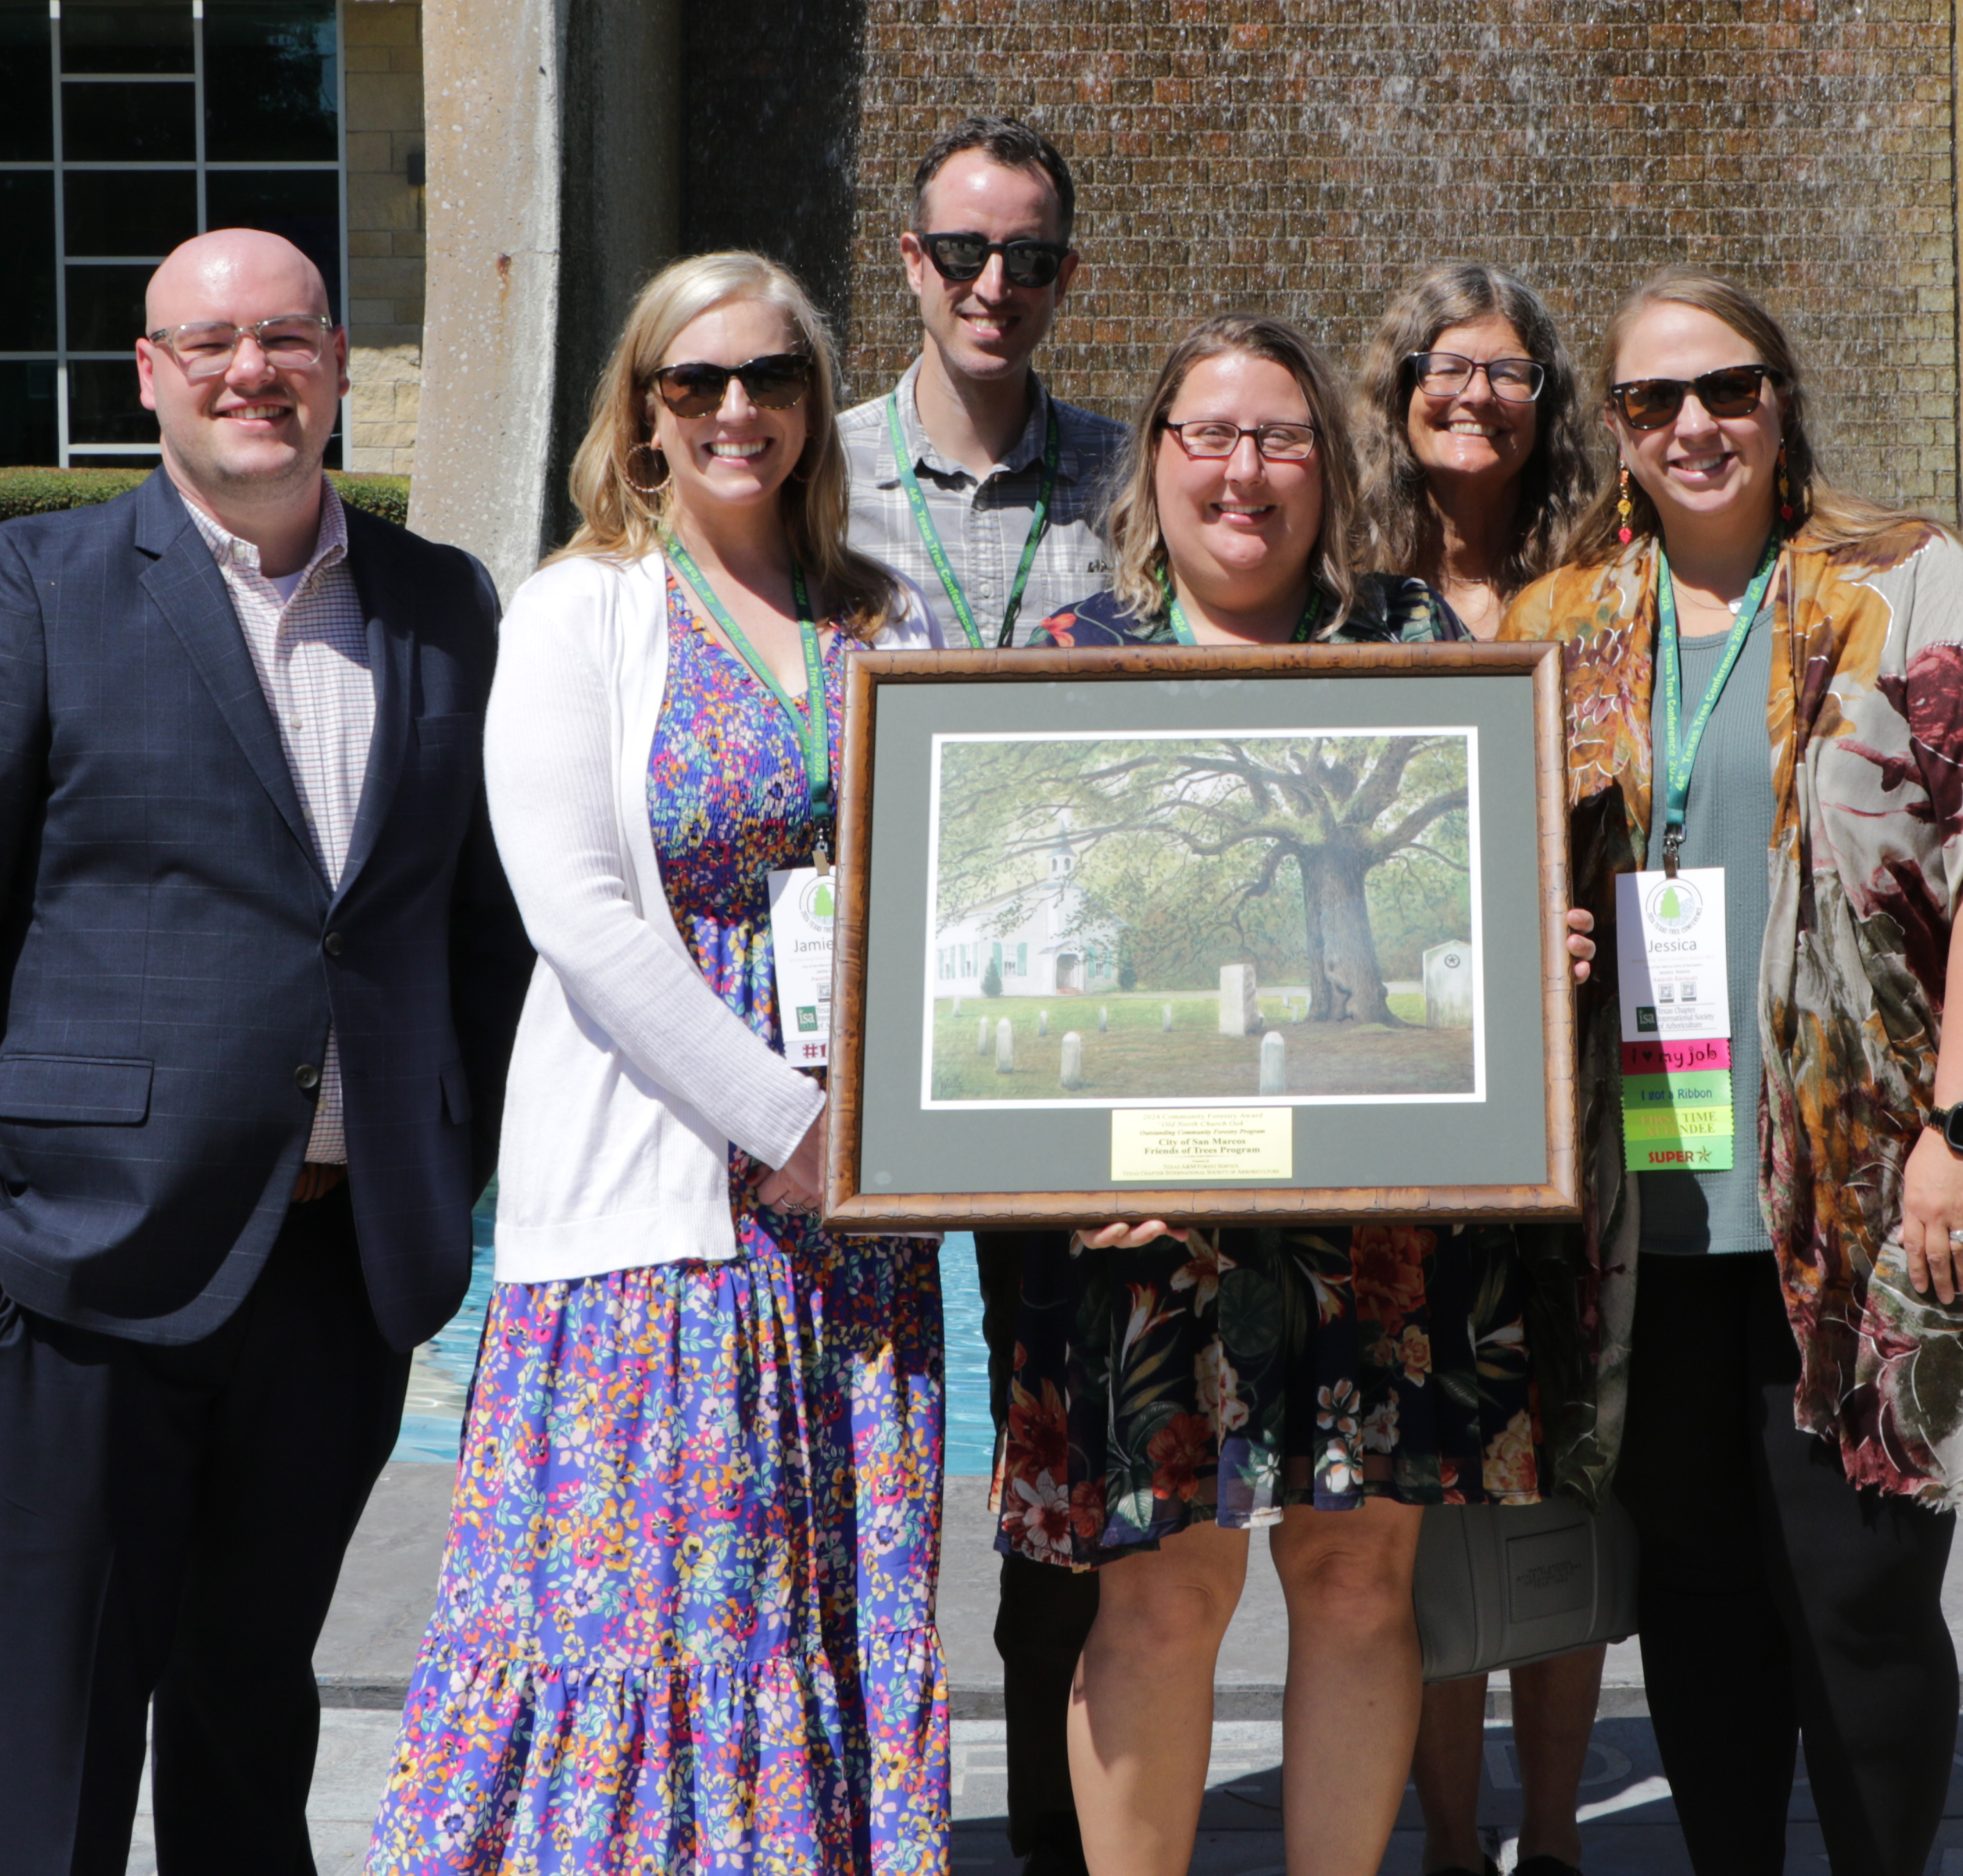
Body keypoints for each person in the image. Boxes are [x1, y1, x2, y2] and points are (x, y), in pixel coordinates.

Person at [1498, 267, 1963, 1876]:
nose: (1694, 425)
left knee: (1862, 1601)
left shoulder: (1905, 584)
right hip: (1645, 1216)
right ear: (1614, 432)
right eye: (1652, 402)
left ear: (1781, 400)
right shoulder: (1560, 625)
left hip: (1868, 1187)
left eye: (1729, 389)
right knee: (1693, 1600)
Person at [368, 253, 951, 1875]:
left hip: (848, 1227)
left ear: (818, 407)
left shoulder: (875, 613)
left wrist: (903, 1134)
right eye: (695, 384)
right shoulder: (578, 612)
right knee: (648, 1624)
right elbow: (581, 915)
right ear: (639, 414)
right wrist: (792, 1124)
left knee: (804, 1614)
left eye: (772, 377)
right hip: (669, 1215)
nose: (737, 410)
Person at [1001, 313, 1592, 1876]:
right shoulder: (1060, 678)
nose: (1244, 471)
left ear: (1332, 467)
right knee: (1160, 1592)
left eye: (1281, 438)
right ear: (1155, 461)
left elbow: (1493, 899)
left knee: (1353, 1585)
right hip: (1130, 1232)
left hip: (1382, 1225)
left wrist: (1534, 943)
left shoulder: (1423, 658)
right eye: (1209, 434)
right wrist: (1047, 1159)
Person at [0, 226, 532, 1876]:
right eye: (211, 342)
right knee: (54, 1715)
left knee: (250, 1699)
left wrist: (454, 1160)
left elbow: (483, 932)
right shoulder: (41, 590)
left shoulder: (441, 601)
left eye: (288, 337)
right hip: (91, 1253)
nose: (255, 371)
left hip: (336, 1269)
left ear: (339, 362)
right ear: (149, 377)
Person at [840, 115, 1126, 1876]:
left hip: (1064, 1032)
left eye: (1027, 259)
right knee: (852, 1452)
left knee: (1057, 1470)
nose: (993, 287)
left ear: (1065, 279)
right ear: (911, 264)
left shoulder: (1125, 473)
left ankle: (1046, 1837)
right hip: (859, 1038)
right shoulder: (810, 462)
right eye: (964, 254)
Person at [1352, 262, 1605, 1876]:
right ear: (1397, 389)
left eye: (1511, 372)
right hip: (1411, 1123)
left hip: (1596, 1111)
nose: (1478, 395)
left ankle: (1562, 1842)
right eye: (1449, 367)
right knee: (1432, 1498)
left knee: (1567, 1485)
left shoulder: (1610, 586)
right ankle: (1454, 1847)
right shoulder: (1345, 601)